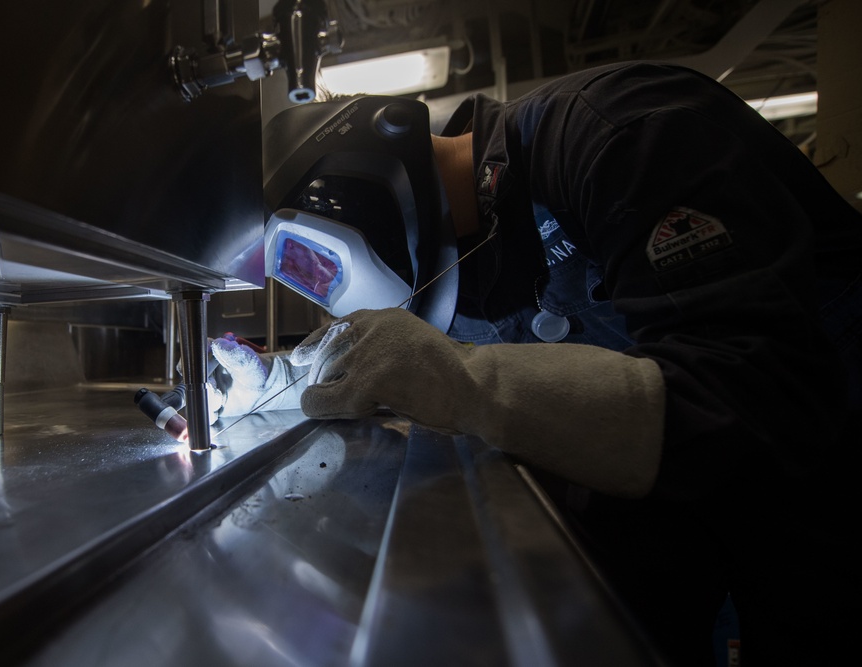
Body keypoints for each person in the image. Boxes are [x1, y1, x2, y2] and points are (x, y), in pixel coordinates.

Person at [208, 61, 862, 665]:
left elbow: (756, 393)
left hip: (825, 464)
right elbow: (393, 358)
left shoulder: (621, 134)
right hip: (684, 479)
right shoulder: (452, 260)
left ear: (354, 192)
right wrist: (276, 382)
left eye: (311, 259)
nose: (325, 287)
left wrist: (471, 386)